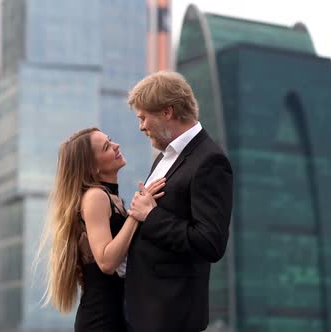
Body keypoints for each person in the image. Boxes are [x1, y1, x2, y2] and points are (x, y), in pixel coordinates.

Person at [124, 71, 234, 332]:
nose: (141, 126)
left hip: (171, 316)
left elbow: (210, 242)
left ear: (167, 112)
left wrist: (151, 216)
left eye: (143, 117)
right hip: (144, 313)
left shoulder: (210, 161)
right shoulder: (164, 158)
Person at [39, 127, 166, 332]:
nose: (116, 146)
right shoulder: (95, 197)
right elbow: (106, 262)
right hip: (102, 320)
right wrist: (135, 215)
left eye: (111, 140)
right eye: (107, 147)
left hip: (117, 316)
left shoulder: (113, 199)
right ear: (93, 168)